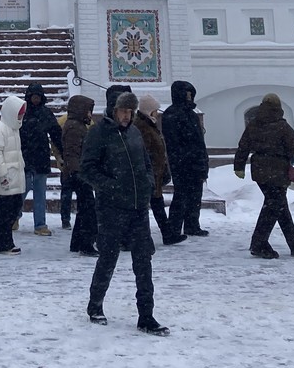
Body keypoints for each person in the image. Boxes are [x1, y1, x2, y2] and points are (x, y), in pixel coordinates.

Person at [80, 91, 169, 335]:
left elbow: (145, 162)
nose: (127, 116)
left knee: (144, 262)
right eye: (123, 111)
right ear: (113, 110)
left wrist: (148, 181)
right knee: (108, 258)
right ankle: (95, 305)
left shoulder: (134, 132)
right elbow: (87, 169)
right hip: (111, 208)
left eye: (130, 112)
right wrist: (111, 186)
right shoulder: (98, 134)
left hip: (138, 207)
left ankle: (146, 315)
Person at [233, 93, 294, 259]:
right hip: (278, 171)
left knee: (278, 207)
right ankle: (258, 244)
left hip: (259, 170)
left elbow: (243, 146)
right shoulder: (283, 127)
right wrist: (290, 159)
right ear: (278, 108)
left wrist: (239, 166)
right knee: (273, 207)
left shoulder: (253, 124)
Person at [162, 80, 211, 239]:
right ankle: (174, 227)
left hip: (195, 161)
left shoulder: (191, 114)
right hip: (182, 162)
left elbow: (198, 140)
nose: (189, 97)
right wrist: (185, 158)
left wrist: (202, 160)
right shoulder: (172, 114)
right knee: (181, 196)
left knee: (196, 195)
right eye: (187, 93)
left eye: (191, 94)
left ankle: (192, 225)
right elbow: (174, 141)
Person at [135, 95, 183, 246]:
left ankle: (167, 234)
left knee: (157, 205)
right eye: (155, 110)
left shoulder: (149, 125)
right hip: (149, 174)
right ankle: (153, 236)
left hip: (155, 173)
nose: (157, 113)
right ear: (149, 111)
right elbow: (145, 151)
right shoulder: (143, 127)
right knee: (148, 207)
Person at [19, 82, 63, 235]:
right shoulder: (22, 113)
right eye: (33, 96)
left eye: (38, 97)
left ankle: (40, 224)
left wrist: (63, 151)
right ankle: (14, 215)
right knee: (22, 189)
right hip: (24, 156)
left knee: (40, 191)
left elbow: (56, 133)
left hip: (41, 157)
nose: (35, 99)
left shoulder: (46, 113)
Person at [60, 95, 98, 255]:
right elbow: (72, 153)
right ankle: (86, 244)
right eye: (89, 111)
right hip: (78, 174)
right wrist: (78, 173)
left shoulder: (76, 125)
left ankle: (77, 242)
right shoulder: (75, 127)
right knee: (89, 209)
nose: (90, 115)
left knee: (84, 209)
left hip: (76, 173)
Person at [0, 93, 26, 254]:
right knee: (4, 211)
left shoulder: (15, 128)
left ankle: (2, 237)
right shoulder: (1, 129)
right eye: (18, 112)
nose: (21, 116)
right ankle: (4, 242)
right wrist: (3, 175)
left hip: (16, 176)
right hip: (5, 178)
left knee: (14, 207)